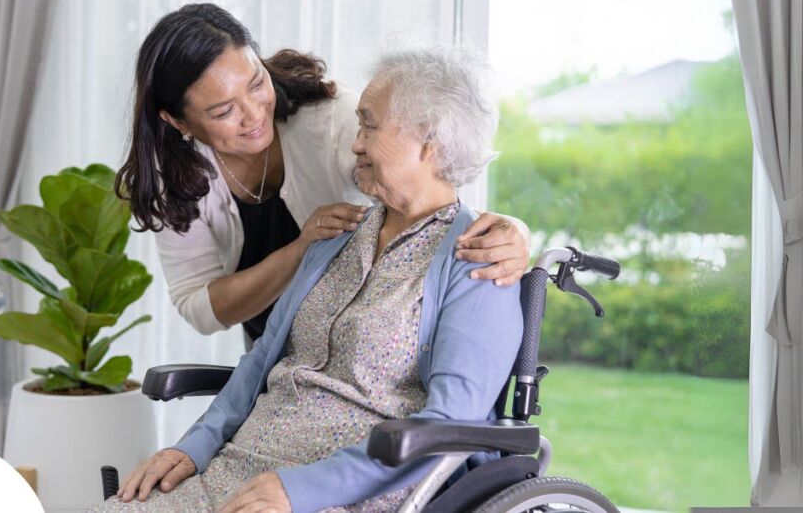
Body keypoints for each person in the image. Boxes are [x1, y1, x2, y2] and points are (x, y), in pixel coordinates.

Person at [88, 42, 523, 512]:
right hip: (242, 468)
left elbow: (450, 421)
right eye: (358, 124)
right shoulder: (337, 235)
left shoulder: (479, 259)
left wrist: (303, 490)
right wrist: (192, 448)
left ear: (430, 140)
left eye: (370, 126)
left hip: (353, 490)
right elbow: (259, 363)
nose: (355, 141)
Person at [114, 3, 531, 347]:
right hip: (279, 360)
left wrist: (512, 232)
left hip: (358, 348)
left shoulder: (334, 122)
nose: (255, 113)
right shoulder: (172, 176)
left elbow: (435, 186)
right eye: (224, 111)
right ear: (178, 122)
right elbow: (201, 308)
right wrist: (301, 250)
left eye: (257, 82)